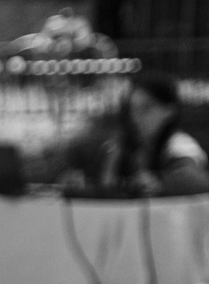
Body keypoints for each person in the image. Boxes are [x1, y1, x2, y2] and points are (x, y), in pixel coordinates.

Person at [56, 68, 209, 198]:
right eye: (132, 109)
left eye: (146, 108)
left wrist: (160, 183)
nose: (136, 118)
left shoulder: (180, 145)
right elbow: (106, 188)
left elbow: (197, 180)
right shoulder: (121, 145)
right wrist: (79, 183)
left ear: (169, 110)